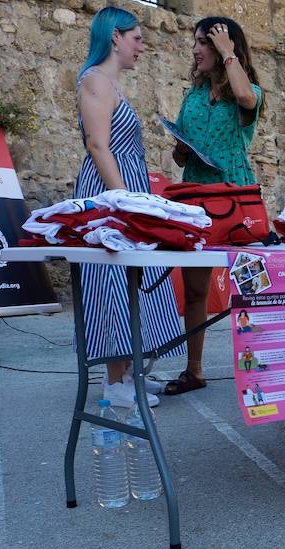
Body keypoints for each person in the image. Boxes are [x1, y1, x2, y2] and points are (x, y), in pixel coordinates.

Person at [74, 6, 181, 409]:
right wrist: (127, 201)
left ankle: (130, 373)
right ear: (115, 37)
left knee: (134, 282)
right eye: (136, 38)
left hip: (124, 190)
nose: (142, 46)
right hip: (111, 194)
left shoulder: (109, 84)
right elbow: (98, 146)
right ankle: (114, 382)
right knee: (115, 282)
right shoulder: (95, 81)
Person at [163, 16, 262, 397]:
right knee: (195, 290)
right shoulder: (191, 96)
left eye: (204, 42)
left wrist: (228, 53)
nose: (195, 49)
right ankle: (194, 370)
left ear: (223, 47)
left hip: (234, 196)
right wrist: (180, 148)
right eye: (196, 43)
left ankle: (263, 363)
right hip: (195, 194)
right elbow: (178, 154)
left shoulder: (247, 87)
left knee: (250, 285)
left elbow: (246, 98)